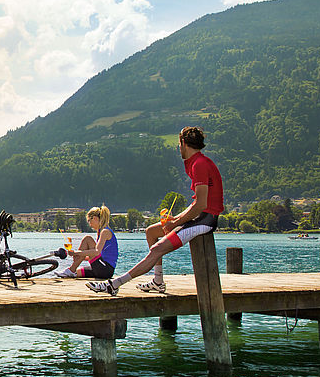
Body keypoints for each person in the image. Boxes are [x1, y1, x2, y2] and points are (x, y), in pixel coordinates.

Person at [87, 126, 223, 296]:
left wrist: (176, 222)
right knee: (151, 232)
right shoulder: (196, 162)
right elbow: (197, 203)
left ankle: (115, 284)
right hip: (198, 217)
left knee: (157, 249)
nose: (178, 148)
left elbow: (201, 204)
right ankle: (158, 281)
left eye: (179, 144)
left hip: (205, 220)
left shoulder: (200, 164)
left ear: (183, 144)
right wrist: (174, 220)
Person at [56, 205, 118, 279]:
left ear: (94, 218)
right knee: (77, 272)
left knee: (87, 239)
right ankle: (71, 270)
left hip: (105, 269)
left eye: (89, 220)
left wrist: (76, 253)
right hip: (103, 268)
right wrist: (81, 257)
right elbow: (98, 254)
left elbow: (96, 252)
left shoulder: (105, 232)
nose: (89, 224)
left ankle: (71, 270)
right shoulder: (101, 231)